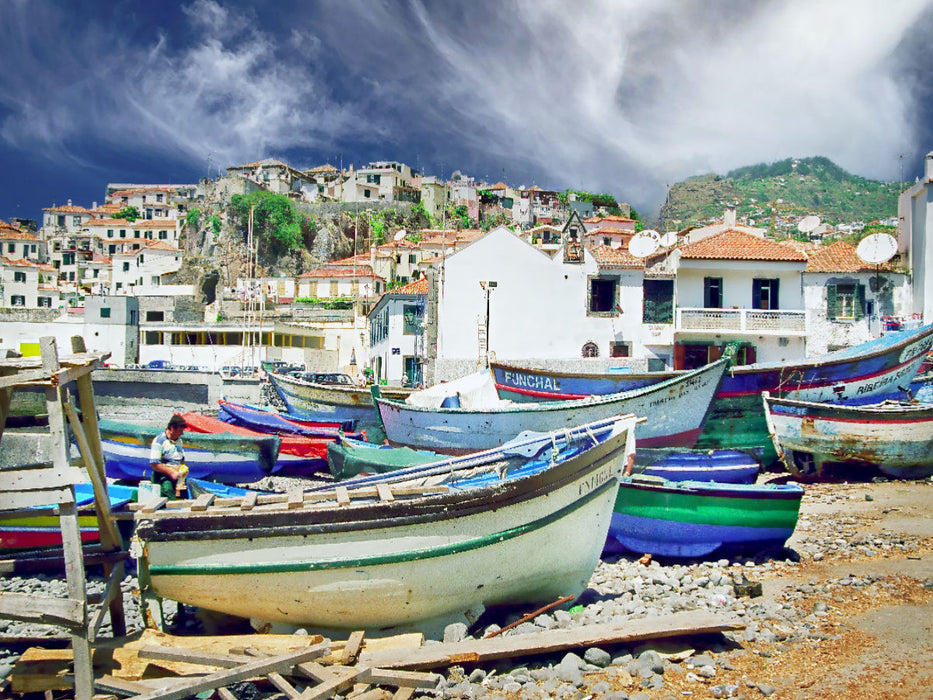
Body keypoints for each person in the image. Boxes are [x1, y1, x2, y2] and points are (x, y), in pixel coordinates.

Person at [149, 415, 188, 499]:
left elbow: (181, 458)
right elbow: (154, 464)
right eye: (180, 431)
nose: (182, 433)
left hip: (178, 476)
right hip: (163, 477)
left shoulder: (178, 441)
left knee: (185, 494)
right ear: (172, 428)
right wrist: (171, 473)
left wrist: (182, 469)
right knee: (168, 491)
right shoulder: (159, 441)